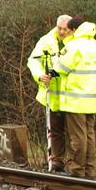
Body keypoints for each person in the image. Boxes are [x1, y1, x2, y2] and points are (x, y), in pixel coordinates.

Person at [52, 16, 96, 178]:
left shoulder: (74, 46)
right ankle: (88, 169)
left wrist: (55, 60)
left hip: (75, 98)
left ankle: (76, 169)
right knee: (89, 134)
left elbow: (61, 68)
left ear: (74, 30)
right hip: (91, 97)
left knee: (77, 136)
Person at [27, 15, 72, 172]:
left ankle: (71, 162)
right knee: (54, 130)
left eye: (64, 29)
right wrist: (40, 75)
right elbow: (33, 60)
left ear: (71, 29)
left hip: (70, 94)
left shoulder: (76, 42)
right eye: (59, 28)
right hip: (51, 93)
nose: (61, 31)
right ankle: (57, 161)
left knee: (72, 131)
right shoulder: (46, 41)